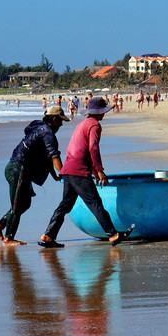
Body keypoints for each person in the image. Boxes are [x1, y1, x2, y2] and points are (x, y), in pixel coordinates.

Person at [40, 97, 125, 248]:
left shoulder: (82, 124)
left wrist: (94, 171)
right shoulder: (95, 125)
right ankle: (113, 234)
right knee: (94, 202)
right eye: (103, 111)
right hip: (78, 170)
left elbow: (80, 150)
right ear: (99, 112)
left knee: (65, 205)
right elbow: (93, 148)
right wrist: (100, 170)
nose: (104, 113)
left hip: (68, 169)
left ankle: (48, 235)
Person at [0, 105, 70, 246]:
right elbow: (54, 156)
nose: (61, 124)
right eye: (60, 120)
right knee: (17, 205)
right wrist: (65, 173)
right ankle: (9, 238)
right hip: (17, 168)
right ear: (54, 119)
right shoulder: (47, 132)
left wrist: (55, 175)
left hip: (23, 171)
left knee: (25, 204)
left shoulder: (42, 129)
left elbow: (48, 158)